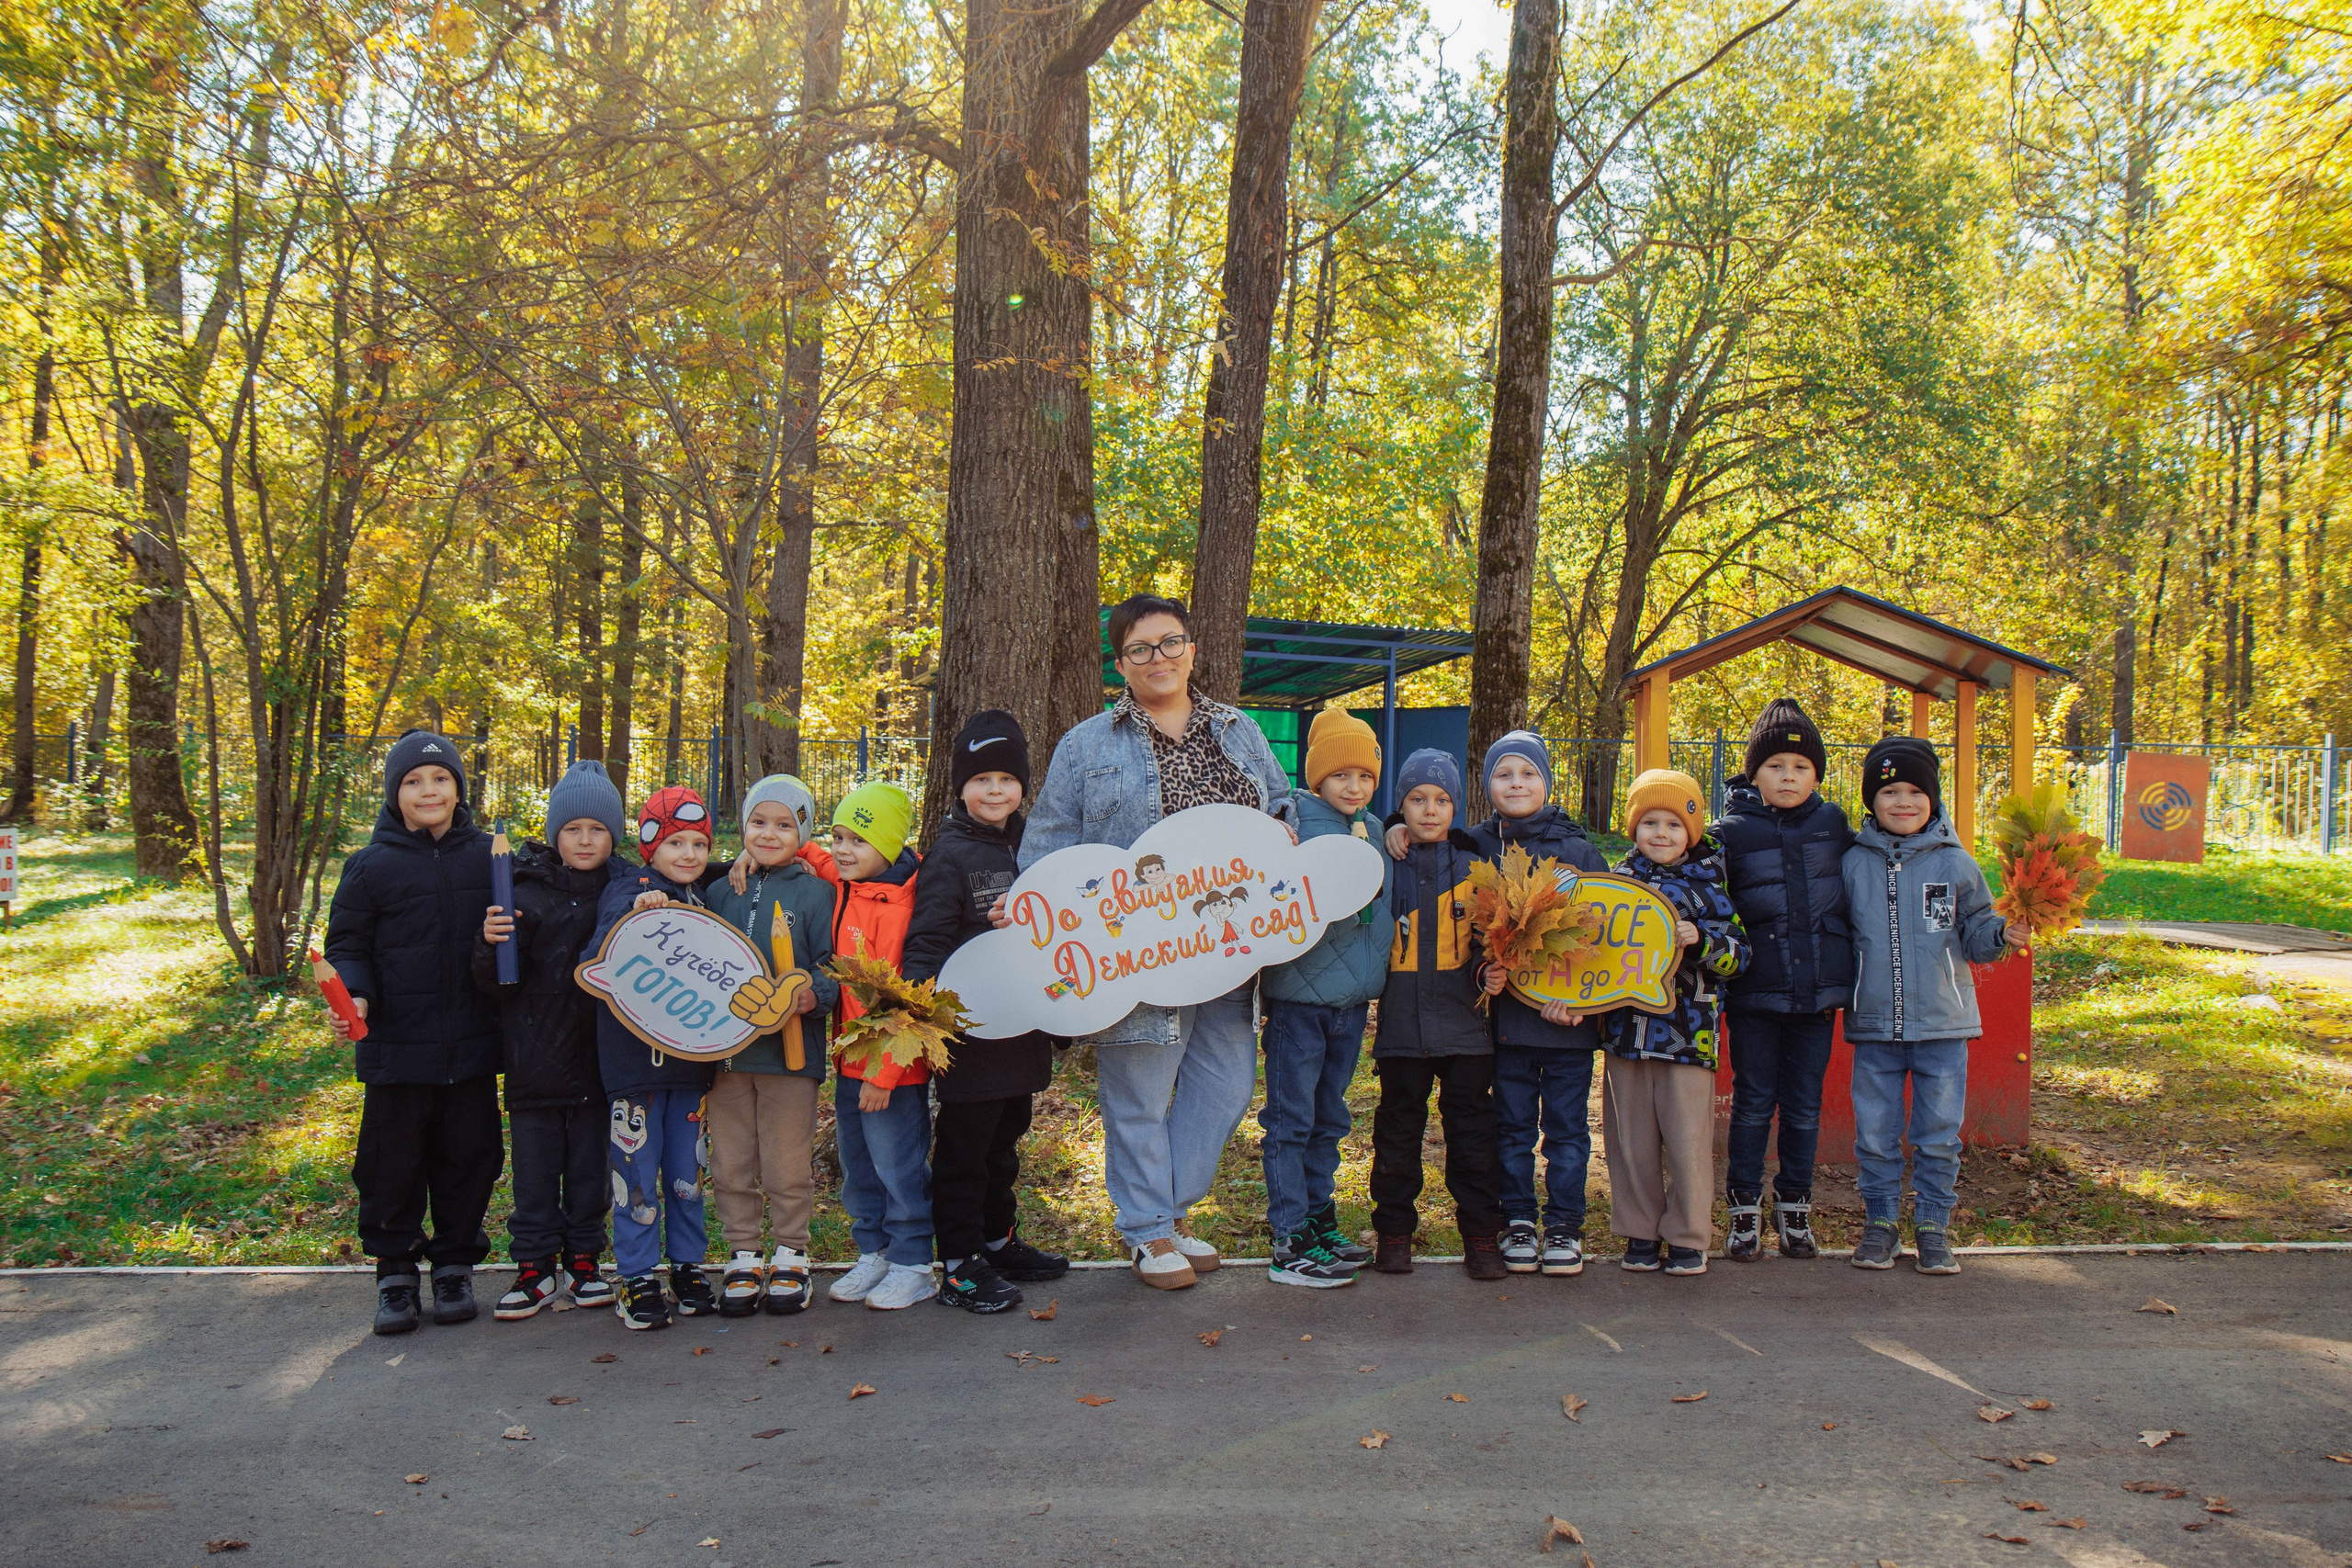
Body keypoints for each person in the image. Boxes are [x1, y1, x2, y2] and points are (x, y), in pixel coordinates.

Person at [1017, 592, 1296, 1291]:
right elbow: (1050, 840)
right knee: (1138, 1093)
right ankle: (1147, 1230)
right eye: (1141, 649)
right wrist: (1042, 915)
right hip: (1136, 953)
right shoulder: (1086, 744)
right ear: (1122, 663)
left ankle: (1167, 1211)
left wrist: (1286, 837)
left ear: (1192, 649)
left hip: (1230, 946)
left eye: (1170, 643)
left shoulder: (1239, 730)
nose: (1159, 658)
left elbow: (1281, 804)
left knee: (1226, 1087)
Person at [1392, 731, 1607, 1276]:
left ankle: (1563, 1226)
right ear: (1487, 787)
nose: (1517, 784)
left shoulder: (1579, 851)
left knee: (1566, 1130)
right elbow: (1428, 842)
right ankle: (1516, 1221)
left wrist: (1589, 1004)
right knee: (1508, 1128)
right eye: (1504, 775)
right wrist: (1395, 828)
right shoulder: (1476, 846)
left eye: (1528, 774)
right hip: (1503, 1024)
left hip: (1566, 1024)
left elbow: (1604, 940)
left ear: (1547, 782)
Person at [325, 729, 503, 1337]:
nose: (428, 790)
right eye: (413, 781)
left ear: (459, 787)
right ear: (393, 793)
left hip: (473, 1047)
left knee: (470, 1157)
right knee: (390, 1162)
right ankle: (394, 1269)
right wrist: (356, 991)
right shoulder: (371, 866)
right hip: (397, 1049)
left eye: (440, 778)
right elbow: (347, 943)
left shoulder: (489, 858)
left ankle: (454, 1263)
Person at [1842, 737, 2030, 1276]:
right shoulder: (1853, 863)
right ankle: (1879, 1224)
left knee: (1938, 1134)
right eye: (1890, 791)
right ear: (1871, 802)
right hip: (1874, 1024)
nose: (1903, 802)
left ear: (1934, 799)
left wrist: (2000, 934)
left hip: (1944, 1026)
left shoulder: (1957, 863)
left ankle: (1933, 1227)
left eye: (1915, 792)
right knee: (1875, 1135)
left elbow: (1975, 933)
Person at [902, 710, 1069, 1314]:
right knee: (965, 1152)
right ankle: (959, 1261)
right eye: (981, 779)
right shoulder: (950, 855)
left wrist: (1065, 1018)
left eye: (1007, 778)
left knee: (1006, 1142)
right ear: (960, 786)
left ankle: (998, 1240)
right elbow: (926, 943)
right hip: (970, 1038)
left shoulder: (1040, 848)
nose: (995, 790)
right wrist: (928, 1018)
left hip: (1023, 1032)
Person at [473, 760, 632, 1320]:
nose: (585, 840)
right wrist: (489, 944)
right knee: (536, 1175)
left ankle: (586, 1260)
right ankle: (535, 1268)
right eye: (572, 829)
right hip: (533, 1061)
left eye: (597, 829)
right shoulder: (521, 890)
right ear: (553, 833)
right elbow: (492, 983)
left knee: (590, 1170)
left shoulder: (627, 890)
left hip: (598, 1062)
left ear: (614, 835)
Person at [1591, 770, 1748, 1277]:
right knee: (1630, 1140)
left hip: (1690, 1034)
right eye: (1649, 822)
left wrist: (1699, 941)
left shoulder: (1711, 889)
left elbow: (1739, 957)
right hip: (1625, 1033)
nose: (1660, 833)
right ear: (1633, 829)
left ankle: (1687, 1236)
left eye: (1673, 824)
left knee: (1686, 1139)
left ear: (1693, 831)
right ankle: (1639, 1232)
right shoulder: (1615, 884)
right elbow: (1590, 954)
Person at [1714, 699, 1855, 1262]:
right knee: (1751, 1104)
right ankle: (1744, 1211)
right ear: (1754, 773)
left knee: (1803, 1106)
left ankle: (1795, 1208)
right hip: (1754, 995)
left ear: (1817, 774)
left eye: (1800, 767)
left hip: (1817, 995)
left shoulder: (1834, 825)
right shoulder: (1730, 833)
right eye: (1776, 766)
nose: (1789, 777)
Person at [1256, 708, 1392, 1289]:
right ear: (1317, 779)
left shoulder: (1377, 829)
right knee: (1291, 1118)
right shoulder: (1294, 825)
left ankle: (1319, 1220)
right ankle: (1288, 1238)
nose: (1353, 787)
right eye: (1341, 776)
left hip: (1351, 1003)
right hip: (1298, 1003)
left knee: (1330, 1117)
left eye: (1364, 775)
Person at [1366, 749, 1507, 1281]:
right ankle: (1395, 1233)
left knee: (1473, 1136)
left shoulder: (1475, 868)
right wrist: (1385, 833)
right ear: (1400, 806)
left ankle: (1481, 1236)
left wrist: (1489, 972)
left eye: (1442, 800)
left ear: (1456, 806)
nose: (1430, 810)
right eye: (1417, 800)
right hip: (1402, 1031)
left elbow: (1489, 940)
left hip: (1467, 1031)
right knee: (1397, 1134)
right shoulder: (1384, 863)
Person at [702, 773, 838, 1317]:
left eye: (784, 825)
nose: (768, 833)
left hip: (789, 1058)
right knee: (731, 1161)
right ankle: (742, 1252)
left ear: (802, 833)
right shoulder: (720, 890)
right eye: (759, 821)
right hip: (728, 1058)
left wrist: (813, 995)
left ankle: (791, 1254)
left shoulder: (816, 891)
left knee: (786, 1163)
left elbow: (833, 966)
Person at [588, 785, 723, 1330]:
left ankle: (688, 1267)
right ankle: (638, 1275)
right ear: (649, 848)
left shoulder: (702, 898)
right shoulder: (630, 889)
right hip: (633, 1072)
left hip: (689, 1070)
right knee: (636, 1176)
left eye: (699, 843)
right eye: (675, 844)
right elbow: (598, 952)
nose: (689, 854)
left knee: (687, 1174)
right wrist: (632, 913)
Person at [812, 779, 935, 1311]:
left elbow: (911, 999)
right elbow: (813, 856)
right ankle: (874, 1252)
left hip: (893, 1070)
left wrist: (884, 1074)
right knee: (858, 1162)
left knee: (898, 1165)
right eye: (837, 836)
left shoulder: (902, 906)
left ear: (885, 847)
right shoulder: (846, 884)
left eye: (856, 840)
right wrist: (767, 845)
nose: (842, 849)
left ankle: (913, 1262)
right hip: (848, 1057)